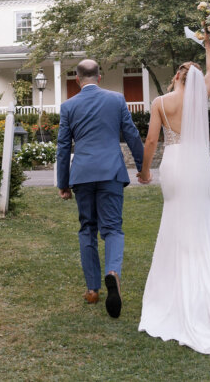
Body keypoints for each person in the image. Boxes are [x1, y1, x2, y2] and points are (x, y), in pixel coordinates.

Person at [137, 34, 210, 354]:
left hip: (174, 165)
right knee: (200, 224)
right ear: (196, 80)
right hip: (199, 168)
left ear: (176, 77)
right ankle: (203, 297)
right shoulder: (201, 98)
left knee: (175, 224)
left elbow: (151, 143)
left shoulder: (160, 103)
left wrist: (144, 172)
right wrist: (208, 45)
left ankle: (176, 297)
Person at [56, 59, 146, 318]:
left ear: (77, 79)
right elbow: (131, 134)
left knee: (88, 229)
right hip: (111, 172)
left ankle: (93, 290)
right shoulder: (116, 100)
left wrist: (63, 183)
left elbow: (63, 148)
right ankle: (113, 272)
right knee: (113, 228)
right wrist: (142, 167)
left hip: (82, 174)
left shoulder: (68, 106)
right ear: (99, 76)